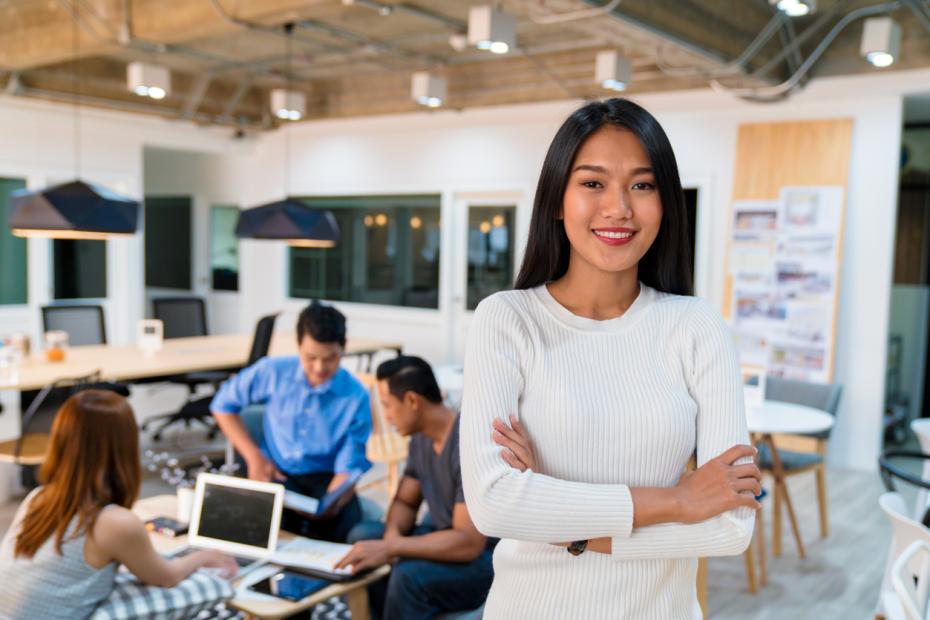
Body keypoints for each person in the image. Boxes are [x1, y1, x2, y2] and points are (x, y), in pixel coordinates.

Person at [459, 98, 762, 619]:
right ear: (557, 199)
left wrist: (570, 529)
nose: (619, 207)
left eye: (642, 185)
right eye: (593, 183)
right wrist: (678, 501)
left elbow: (732, 526)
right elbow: (495, 504)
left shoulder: (696, 327)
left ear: (665, 202)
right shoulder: (507, 319)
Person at [0, 390, 236, 620]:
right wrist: (203, 557)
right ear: (123, 447)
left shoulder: (38, 497)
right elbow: (166, 578)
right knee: (210, 591)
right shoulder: (112, 523)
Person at [335, 356, 492, 620]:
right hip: (443, 536)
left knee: (409, 576)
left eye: (387, 405)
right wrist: (393, 536)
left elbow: (468, 543)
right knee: (362, 535)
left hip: (481, 563)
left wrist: (393, 548)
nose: (385, 417)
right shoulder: (420, 440)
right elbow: (405, 502)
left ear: (412, 401)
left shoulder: (467, 444)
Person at [211, 301, 371, 542]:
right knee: (259, 532)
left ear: (344, 348)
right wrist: (254, 456)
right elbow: (222, 405)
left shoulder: (356, 396)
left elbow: (349, 464)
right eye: (311, 357)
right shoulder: (273, 371)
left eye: (330, 358)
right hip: (278, 474)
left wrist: (334, 498)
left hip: (326, 479)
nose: (319, 368)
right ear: (298, 345)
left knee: (348, 534)